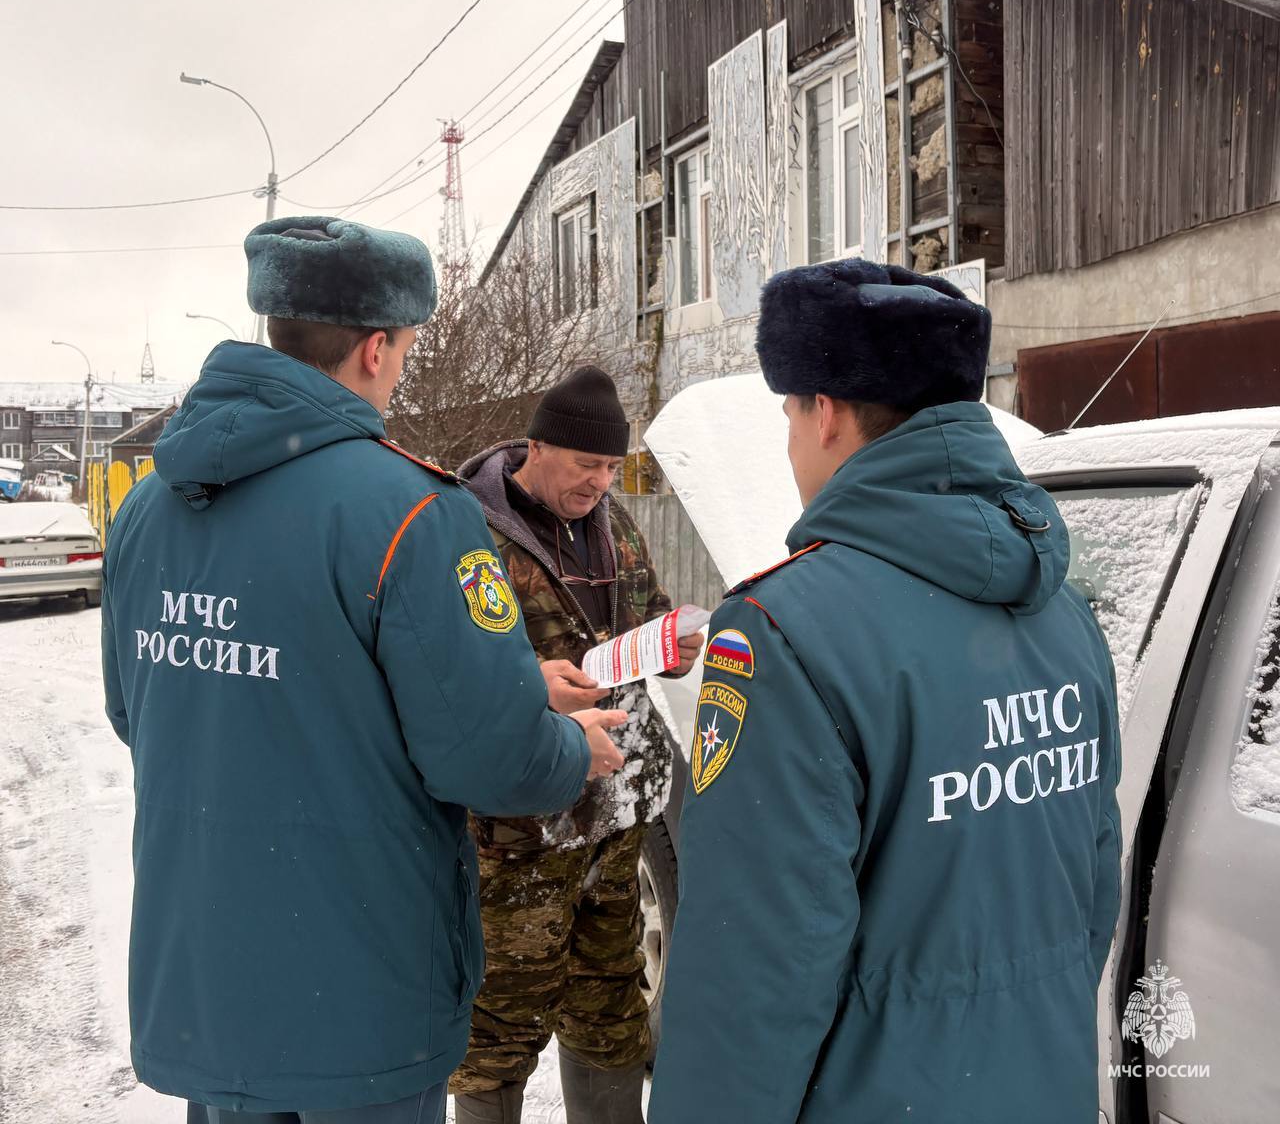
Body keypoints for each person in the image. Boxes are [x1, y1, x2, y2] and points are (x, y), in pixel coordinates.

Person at [101, 216, 629, 1124]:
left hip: (206, 981)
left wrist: (511, 681)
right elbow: (491, 758)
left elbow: (140, 705)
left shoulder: (150, 506)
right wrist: (566, 746)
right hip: (357, 987)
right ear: (378, 348)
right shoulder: (409, 511)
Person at [649, 259, 1122, 1124]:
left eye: (788, 412)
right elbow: (1090, 895)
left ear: (824, 413)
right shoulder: (1064, 612)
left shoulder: (781, 634)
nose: (790, 442)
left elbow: (752, 973)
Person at [449, 366, 703, 1124]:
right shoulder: (469, 530)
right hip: (519, 829)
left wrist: (670, 644)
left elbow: (647, 609)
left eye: (610, 468)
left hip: (614, 814)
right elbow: (445, 668)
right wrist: (531, 685)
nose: (599, 482)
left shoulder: (614, 522)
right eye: (586, 465)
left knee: (610, 1008)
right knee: (498, 1027)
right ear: (537, 448)